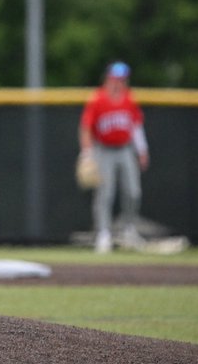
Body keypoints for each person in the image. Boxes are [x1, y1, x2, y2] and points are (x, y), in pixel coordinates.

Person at [79, 61, 149, 253]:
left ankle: (129, 230)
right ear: (108, 78)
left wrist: (142, 150)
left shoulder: (129, 99)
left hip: (125, 149)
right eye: (115, 79)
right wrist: (87, 154)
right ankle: (103, 234)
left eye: (122, 79)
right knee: (105, 193)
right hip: (104, 149)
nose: (118, 83)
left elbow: (136, 126)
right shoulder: (97, 99)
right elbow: (86, 128)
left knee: (134, 192)